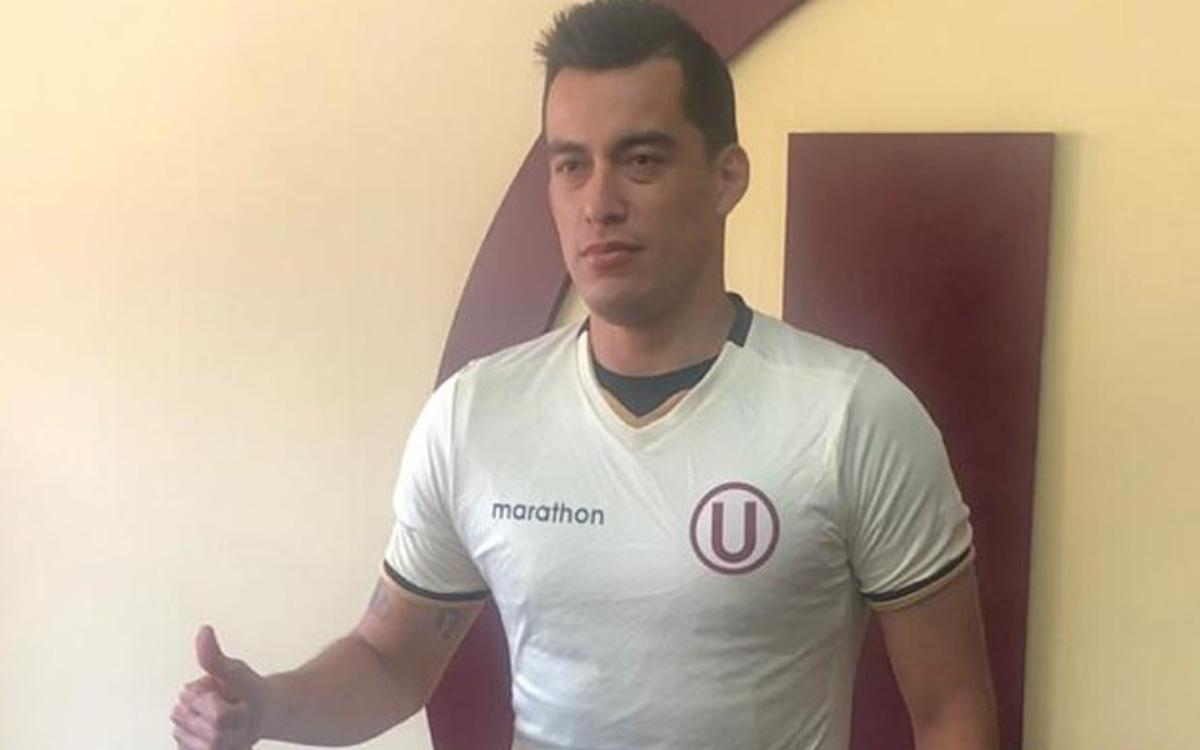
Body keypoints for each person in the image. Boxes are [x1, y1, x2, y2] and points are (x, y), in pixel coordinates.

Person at [170, 2, 999, 749]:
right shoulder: (475, 416)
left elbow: (952, 709)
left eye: (640, 160)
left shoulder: (851, 416)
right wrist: (265, 705)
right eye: (572, 164)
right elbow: (390, 662)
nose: (599, 202)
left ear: (726, 178)